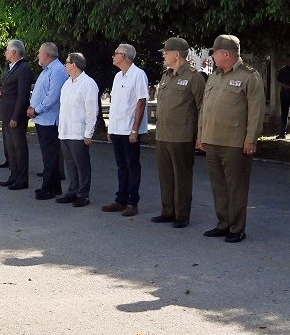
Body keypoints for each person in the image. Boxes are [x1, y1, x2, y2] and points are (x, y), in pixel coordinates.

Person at [197, 35, 265, 243]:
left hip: (235, 142)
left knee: (236, 187)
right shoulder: (214, 76)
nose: (212, 56)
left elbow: (256, 111)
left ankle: (237, 228)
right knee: (219, 186)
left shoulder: (249, 76)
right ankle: (223, 223)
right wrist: (201, 135)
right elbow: (204, 109)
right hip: (212, 139)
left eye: (214, 52)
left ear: (226, 54)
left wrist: (251, 139)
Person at [152, 37, 205, 228]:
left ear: (177, 54)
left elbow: (202, 108)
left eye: (166, 52)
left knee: (181, 176)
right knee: (165, 175)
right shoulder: (166, 76)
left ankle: (182, 215)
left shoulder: (194, 76)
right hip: (163, 135)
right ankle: (167, 211)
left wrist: (200, 135)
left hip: (182, 135)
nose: (164, 55)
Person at [102, 43, 149, 217]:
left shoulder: (138, 75)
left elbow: (141, 102)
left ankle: (132, 201)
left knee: (132, 165)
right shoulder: (117, 77)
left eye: (116, 53)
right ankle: (120, 199)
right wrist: (110, 128)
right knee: (121, 166)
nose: (113, 56)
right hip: (117, 129)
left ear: (124, 56)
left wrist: (135, 129)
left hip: (130, 130)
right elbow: (115, 105)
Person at [56, 53, 99, 207]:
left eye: (66, 63)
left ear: (73, 64)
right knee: (70, 164)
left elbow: (91, 111)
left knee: (82, 165)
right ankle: (72, 192)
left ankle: (83, 194)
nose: (65, 65)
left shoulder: (88, 83)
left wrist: (88, 133)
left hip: (79, 132)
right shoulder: (67, 84)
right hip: (65, 131)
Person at [27, 42, 69, 200]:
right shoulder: (47, 70)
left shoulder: (57, 70)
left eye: (39, 52)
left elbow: (53, 96)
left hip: (50, 120)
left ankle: (48, 188)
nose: (38, 55)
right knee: (48, 155)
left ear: (46, 54)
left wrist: (37, 109)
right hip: (42, 119)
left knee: (50, 155)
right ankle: (54, 186)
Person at [0, 39, 34, 190]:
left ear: (14, 52)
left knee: (19, 147)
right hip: (6, 114)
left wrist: (15, 117)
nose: (5, 52)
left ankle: (22, 179)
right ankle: (14, 175)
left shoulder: (23, 68)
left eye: (7, 50)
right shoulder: (10, 68)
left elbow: (22, 95)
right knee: (10, 147)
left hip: (14, 116)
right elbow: (7, 89)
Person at [276, 62, 290, 139]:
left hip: (284, 93)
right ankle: (282, 133)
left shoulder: (283, 69)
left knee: (284, 114)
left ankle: (282, 134)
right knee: (284, 114)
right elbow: (279, 81)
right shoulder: (283, 69)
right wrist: (285, 86)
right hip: (284, 94)